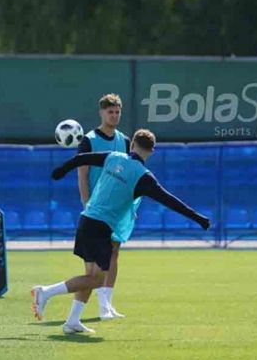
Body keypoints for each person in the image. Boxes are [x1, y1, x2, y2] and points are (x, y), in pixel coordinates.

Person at [32, 129, 210, 334]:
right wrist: (198, 218)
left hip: (86, 219)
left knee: (90, 275)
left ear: (132, 144)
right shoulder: (144, 177)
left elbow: (81, 159)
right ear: (151, 151)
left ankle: (72, 321)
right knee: (97, 279)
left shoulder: (113, 156)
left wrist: (61, 171)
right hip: (100, 226)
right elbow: (170, 201)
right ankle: (45, 292)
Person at [77, 93, 133, 320]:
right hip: (97, 210)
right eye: (110, 111)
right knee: (96, 261)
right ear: (101, 113)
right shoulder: (89, 140)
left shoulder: (125, 141)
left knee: (114, 253)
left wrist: (131, 208)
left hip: (118, 209)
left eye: (118, 111)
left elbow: (131, 176)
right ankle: (98, 307)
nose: (115, 115)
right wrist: (87, 205)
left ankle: (107, 305)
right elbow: (82, 176)